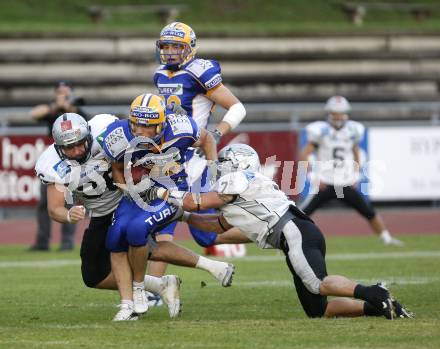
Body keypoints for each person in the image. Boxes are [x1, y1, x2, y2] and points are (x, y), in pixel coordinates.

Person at [141, 143, 414, 320]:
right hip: (299, 233)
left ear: (236, 164)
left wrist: (162, 192)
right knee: (318, 310)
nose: (220, 167)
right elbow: (216, 226)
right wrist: (186, 217)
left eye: (224, 162)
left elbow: (195, 201)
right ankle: (377, 308)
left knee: (318, 283)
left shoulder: (239, 179)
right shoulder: (245, 190)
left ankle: (373, 292)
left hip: (294, 232)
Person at [35, 112, 235, 321]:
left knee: (134, 242)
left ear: (89, 136)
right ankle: (164, 283)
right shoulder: (51, 164)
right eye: (69, 147)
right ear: (58, 147)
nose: (76, 151)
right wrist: (68, 214)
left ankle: (132, 304)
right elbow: (54, 208)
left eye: (80, 144)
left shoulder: (105, 130)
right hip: (102, 211)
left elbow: (137, 149)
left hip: (132, 198)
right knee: (96, 273)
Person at [100, 93, 233, 319]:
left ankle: (139, 288)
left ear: (161, 124)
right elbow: (117, 166)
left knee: (137, 230)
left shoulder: (180, 127)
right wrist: (126, 189)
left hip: (172, 189)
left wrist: (214, 175)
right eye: (136, 124)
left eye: (147, 126)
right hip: (139, 189)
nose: (140, 131)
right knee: (114, 237)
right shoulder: (120, 134)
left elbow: (208, 139)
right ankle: (126, 305)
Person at [154, 21, 247, 259]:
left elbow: (237, 107)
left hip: (195, 159)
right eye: (166, 46)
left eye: (176, 46)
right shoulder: (161, 74)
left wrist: (216, 133)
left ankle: (272, 229)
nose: (170, 51)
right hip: (170, 155)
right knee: (162, 225)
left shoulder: (199, 71)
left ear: (190, 47)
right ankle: (154, 291)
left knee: (202, 232)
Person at [299, 96, 403, 246]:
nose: (339, 116)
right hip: (325, 182)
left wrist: (355, 174)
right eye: (335, 112)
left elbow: (356, 153)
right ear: (329, 113)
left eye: (341, 112)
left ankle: (387, 238)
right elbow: (304, 153)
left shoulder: (352, 131)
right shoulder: (321, 131)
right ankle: (286, 239)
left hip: (344, 182)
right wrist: (313, 175)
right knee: (302, 214)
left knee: (368, 211)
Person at [30, 81, 87, 251]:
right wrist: (56, 105)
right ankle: (42, 241)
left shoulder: (76, 111)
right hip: (52, 164)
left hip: (72, 164)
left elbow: (81, 119)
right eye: (59, 92)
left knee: (69, 202)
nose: (62, 95)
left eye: (65, 92)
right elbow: (34, 114)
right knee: (45, 203)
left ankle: (67, 241)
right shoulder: (52, 110)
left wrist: (67, 106)